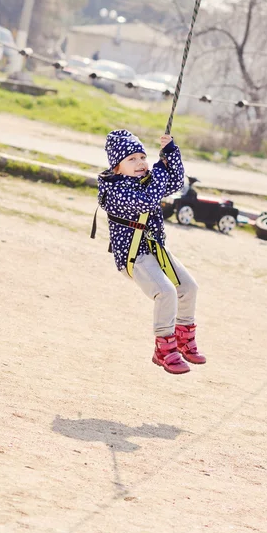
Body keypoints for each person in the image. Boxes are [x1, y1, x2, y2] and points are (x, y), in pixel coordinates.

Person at [95, 129, 206, 375]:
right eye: (131, 159)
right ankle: (164, 349)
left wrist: (170, 154)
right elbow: (146, 200)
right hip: (133, 256)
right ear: (117, 167)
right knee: (165, 292)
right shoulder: (116, 190)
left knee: (188, 288)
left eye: (142, 157)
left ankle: (183, 339)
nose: (141, 163)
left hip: (155, 250)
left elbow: (175, 183)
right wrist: (159, 170)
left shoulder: (147, 180)